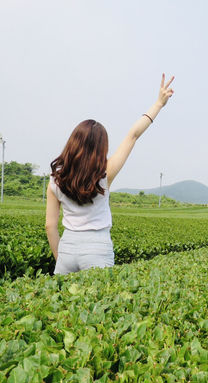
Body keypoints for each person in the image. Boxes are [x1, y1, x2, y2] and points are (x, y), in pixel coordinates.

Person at [45, 74, 175, 274]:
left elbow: (50, 226)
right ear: (101, 147)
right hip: (97, 249)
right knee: (100, 302)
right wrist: (158, 104)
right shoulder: (105, 173)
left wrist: (61, 259)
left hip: (67, 249)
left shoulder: (55, 180)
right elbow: (133, 135)